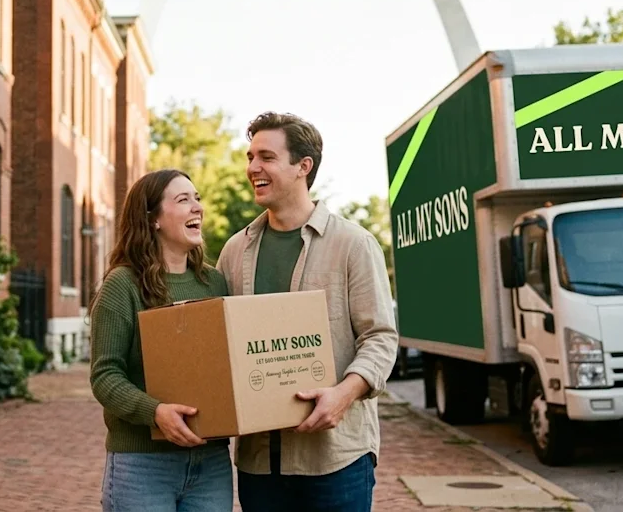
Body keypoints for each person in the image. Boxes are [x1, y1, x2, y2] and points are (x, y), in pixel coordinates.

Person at [216, 112, 398, 511]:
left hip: (336, 459)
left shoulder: (354, 244)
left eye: (266, 157)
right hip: (260, 463)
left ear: (303, 166)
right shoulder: (234, 251)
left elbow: (381, 338)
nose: (252, 168)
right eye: (250, 157)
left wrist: (342, 396)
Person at [89, 168, 233, 511]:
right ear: (152, 219)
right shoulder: (122, 285)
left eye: (197, 198)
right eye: (183, 200)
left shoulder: (214, 283)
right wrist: (156, 413)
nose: (197, 207)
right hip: (142, 466)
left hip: (210, 462)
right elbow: (105, 376)